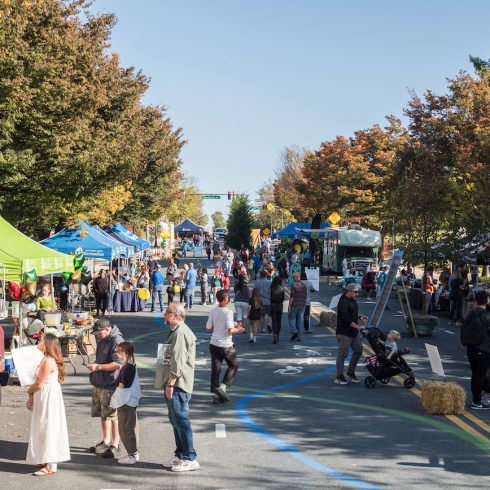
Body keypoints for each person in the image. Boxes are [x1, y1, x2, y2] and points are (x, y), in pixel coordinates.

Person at [155, 303, 199, 472]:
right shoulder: (177, 331)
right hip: (176, 382)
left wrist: (170, 382)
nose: (165, 315)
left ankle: (189, 457)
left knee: (181, 421)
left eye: (167, 312)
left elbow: (178, 361)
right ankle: (180, 455)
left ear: (176, 316)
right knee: (175, 421)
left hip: (178, 384)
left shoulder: (180, 333)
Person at [26, 333, 70, 476]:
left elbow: (39, 383)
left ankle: (51, 463)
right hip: (45, 395)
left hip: (47, 397)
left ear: (47, 344)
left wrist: (29, 391)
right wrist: (32, 395)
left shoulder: (48, 361)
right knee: (43, 426)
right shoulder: (45, 359)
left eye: (41, 340)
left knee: (48, 426)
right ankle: (45, 458)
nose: (38, 341)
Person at [87, 318, 124, 458]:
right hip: (100, 382)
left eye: (99, 333)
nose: (97, 336)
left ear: (107, 329)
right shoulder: (104, 339)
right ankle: (106, 441)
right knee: (103, 413)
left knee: (113, 415)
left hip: (110, 383)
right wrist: (96, 365)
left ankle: (115, 444)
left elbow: (118, 363)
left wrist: (99, 366)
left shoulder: (117, 341)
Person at [206, 289, 245, 404]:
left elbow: (208, 327)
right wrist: (239, 329)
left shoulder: (213, 311)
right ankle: (222, 388)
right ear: (224, 300)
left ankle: (215, 393)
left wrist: (218, 328)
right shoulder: (228, 312)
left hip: (214, 343)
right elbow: (230, 329)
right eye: (228, 298)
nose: (229, 299)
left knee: (216, 368)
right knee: (234, 365)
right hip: (225, 345)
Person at [110, 342, 141, 465]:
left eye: (118, 351)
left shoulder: (127, 367)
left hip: (125, 401)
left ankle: (132, 454)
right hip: (130, 400)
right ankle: (133, 452)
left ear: (124, 353)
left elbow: (122, 385)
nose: (117, 354)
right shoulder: (130, 364)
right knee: (131, 426)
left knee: (125, 428)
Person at [462, 291, 490, 410]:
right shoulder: (487, 316)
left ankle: (478, 398)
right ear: (487, 300)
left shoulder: (471, 314)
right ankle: (477, 401)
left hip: (471, 349)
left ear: (476, 301)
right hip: (484, 349)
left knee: (476, 374)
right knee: (480, 375)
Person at [335, 283, 367, 385]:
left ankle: (350, 372)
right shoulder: (342, 302)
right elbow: (346, 318)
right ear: (349, 291)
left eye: (357, 292)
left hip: (353, 332)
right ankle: (339, 377)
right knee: (342, 354)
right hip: (344, 332)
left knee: (358, 350)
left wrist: (359, 317)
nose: (357, 294)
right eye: (355, 292)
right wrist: (359, 327)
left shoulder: (352, 300)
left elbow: (352, 313)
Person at [288, 272, 307, 342]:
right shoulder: (304, 285)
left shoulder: (294, 286)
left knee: (291, 318)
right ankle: (299, 337)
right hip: (302, 305)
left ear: (298, 277)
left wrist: (289, 305)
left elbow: (292, 297)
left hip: (294, 305)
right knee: (300, 321)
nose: (293, 279)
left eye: (294, 277)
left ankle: (294, 330)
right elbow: (305, 295)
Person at [270, 276, 285, 344]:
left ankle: (275, 335)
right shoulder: (282, 289)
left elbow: (269, 296)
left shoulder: (271, 288)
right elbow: (283, 298)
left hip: (273, 305)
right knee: (279, 321)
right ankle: (278, 335)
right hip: (279, 306)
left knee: (274, 321)